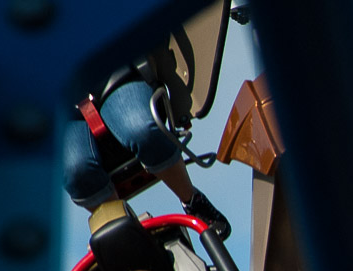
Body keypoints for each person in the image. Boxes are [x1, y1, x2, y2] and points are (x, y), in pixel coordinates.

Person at [62, 64, 231, 240]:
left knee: (140, 129)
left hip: (109, 75)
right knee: (75, 169)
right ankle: (126, 236)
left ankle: (192, 200)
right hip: (61, 101)